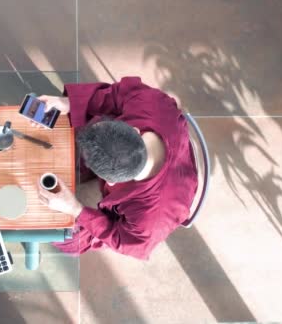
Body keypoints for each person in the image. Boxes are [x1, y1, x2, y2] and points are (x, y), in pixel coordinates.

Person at [34, 76, 198, 260]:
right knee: (77, 123)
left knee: (64, 237)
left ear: (111, 182)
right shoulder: (149, 104)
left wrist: (76, 209)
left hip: (174, 192)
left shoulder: (151, 219)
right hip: (173, 145)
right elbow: (117, 95)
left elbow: (124, 240)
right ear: (134, 130)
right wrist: (68, 103)